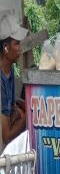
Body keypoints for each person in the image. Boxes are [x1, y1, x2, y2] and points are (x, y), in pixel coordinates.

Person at [0, 14, 28, 154]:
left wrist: (24, 104)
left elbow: (12, 104)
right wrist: (29, 115)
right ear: (6, 47)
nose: (20, 48)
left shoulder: (9, 69)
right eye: (17, 43)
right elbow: (6, 136)